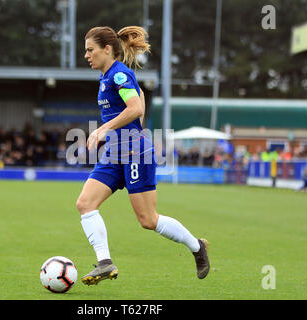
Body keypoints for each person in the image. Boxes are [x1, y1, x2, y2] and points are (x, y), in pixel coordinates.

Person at [77, 26, 210, 286]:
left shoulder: (119, 75)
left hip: (136, 153)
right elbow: (138, 105)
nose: (86, 55)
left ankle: (197, 247)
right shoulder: (107, 77)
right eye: (85, 51)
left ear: (107, 49)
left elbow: (136, 107)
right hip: (115, 154)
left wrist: (104, 129)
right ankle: (104, 262)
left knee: (148, 220)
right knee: (85, 204)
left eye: (90, 50)